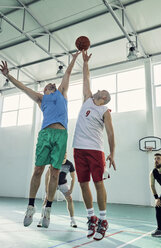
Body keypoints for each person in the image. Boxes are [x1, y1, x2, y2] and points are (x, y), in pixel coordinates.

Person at [0, 52, 80, 228]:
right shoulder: (40, 98)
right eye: (48, 84)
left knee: (55, 173)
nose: (51, 83)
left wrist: (73, 59)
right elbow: (22, 87)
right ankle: (30, 206)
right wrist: (8, 75)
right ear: (44, 90)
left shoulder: (62, 93)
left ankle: (47, 210)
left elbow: (67, 74)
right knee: (37, 170)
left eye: (53, 83)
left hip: (61, 135)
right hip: (45, 135)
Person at [73, 50, 116, 241]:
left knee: (98, 183)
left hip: (95, 150)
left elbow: (110, 133)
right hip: (78, 149)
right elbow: (86, 78)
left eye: (104, 92)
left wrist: (112, 153)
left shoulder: (105, 110)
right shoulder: (87, 99)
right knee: (83, 184)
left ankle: (103, 220)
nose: (101, 90)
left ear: (105, 98)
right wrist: (85, 62)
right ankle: (91, 217)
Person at [37, 153, 77, 228]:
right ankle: (42, 218)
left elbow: (73, 178)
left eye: (65, 154)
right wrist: (46, 187)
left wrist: (71, 189)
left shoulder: (70, 164)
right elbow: (47, 175)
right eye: (63, 154)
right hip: (53, 184)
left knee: (70, 200)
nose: (64, 155)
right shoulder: (55, 162)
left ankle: (72, 220)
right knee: (46, 200)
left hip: (63, 184)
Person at [150, 153, 161, 237]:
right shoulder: (153, 172)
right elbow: (152, 186)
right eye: (155, 159)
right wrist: (156, 198)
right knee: (158, 206)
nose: (156, 160)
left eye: (158, 158)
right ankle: (160, 229)